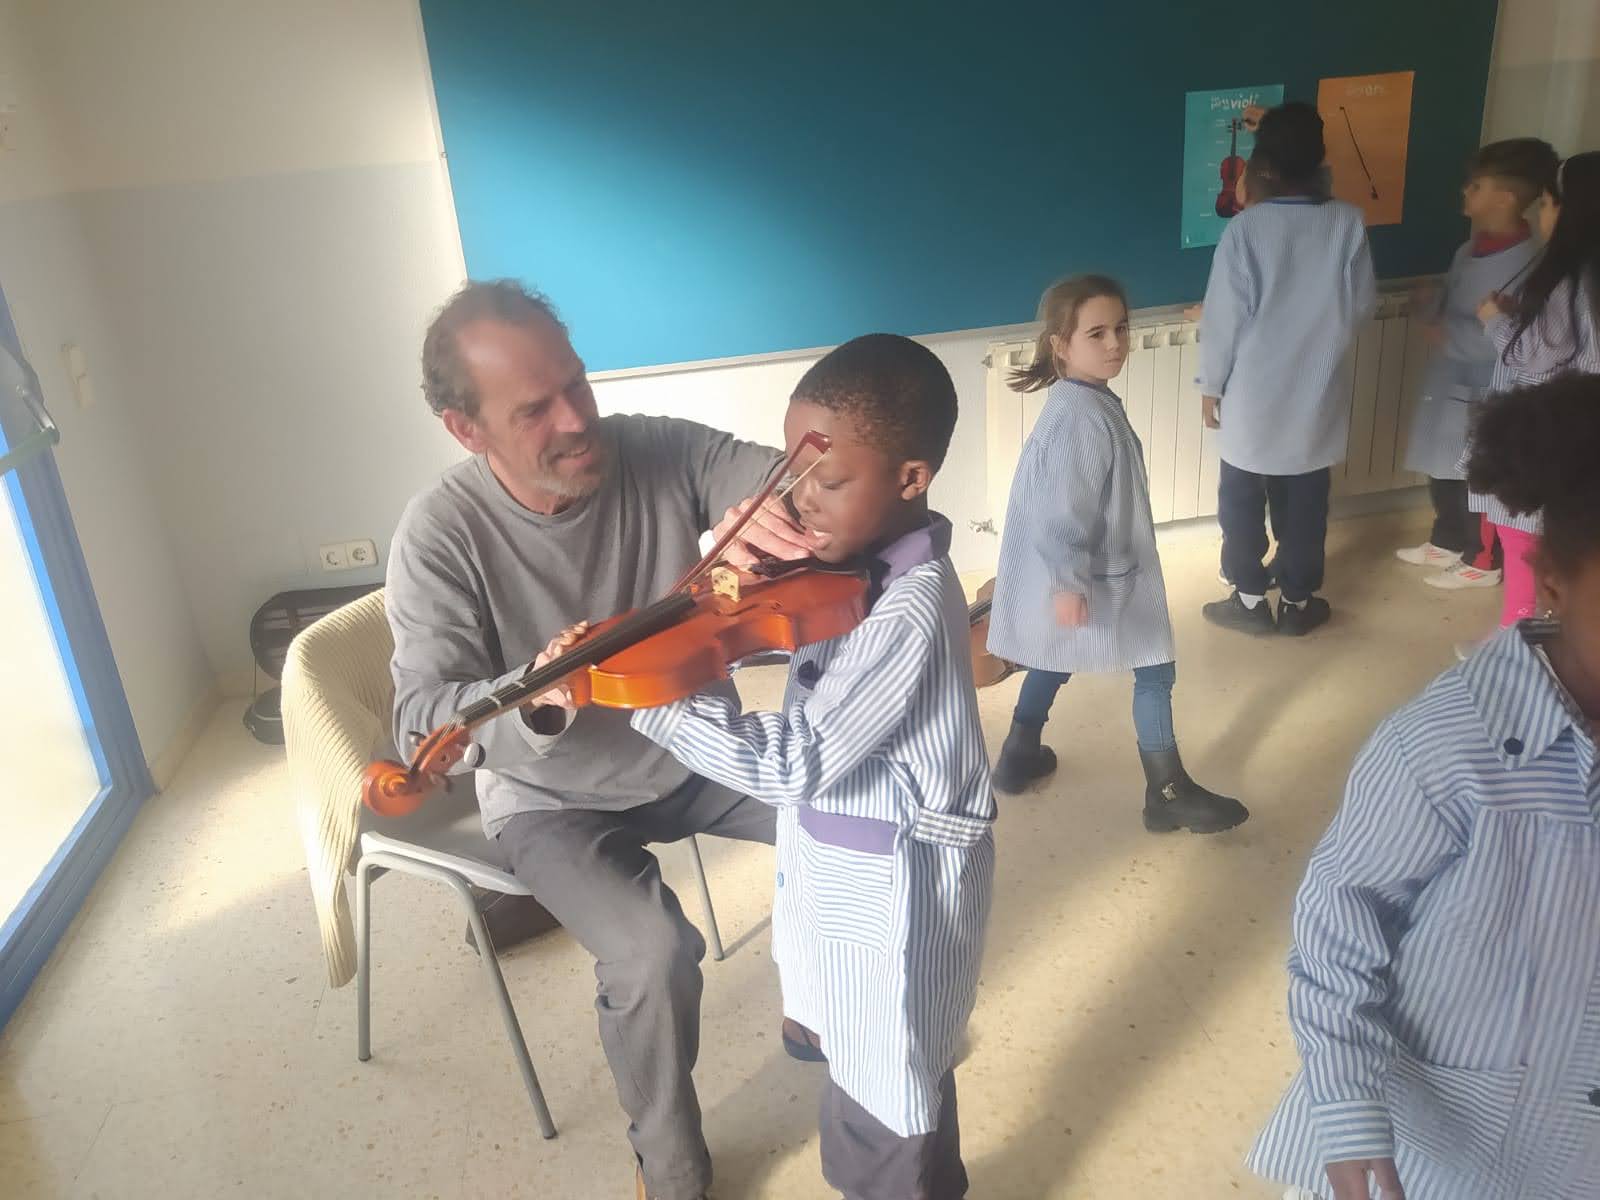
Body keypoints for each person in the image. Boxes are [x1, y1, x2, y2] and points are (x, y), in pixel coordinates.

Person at [385, 280, 808, 1200]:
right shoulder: (439, 533)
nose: (578, 419)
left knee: (851, 814)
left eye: (576, 383)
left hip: (695, 747)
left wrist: (774, 511)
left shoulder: (652, 446)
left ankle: (820, 1003)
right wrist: (534, 696)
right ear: (466, 430)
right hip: (553, 801)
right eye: (534, 408)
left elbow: (785, 475)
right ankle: (670, 1163)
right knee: (654, 952)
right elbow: (423, 714)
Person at [630, 334, 995, 1200]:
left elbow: (794, 764)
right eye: (791, 476)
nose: (799, 501)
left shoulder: (907, 609)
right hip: (844, 875)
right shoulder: (855, 569)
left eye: (827, 483)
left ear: (910, 478)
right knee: (887, 1071)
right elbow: (779, 638)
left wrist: (652, 695)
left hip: (897, 893)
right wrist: (725, 580)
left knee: (885, 1096)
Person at [1247, 373, 1600, 1200]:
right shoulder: (1447, 746)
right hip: (1432, 1157)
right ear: (1552, 579)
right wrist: (1348, 1108)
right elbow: (1338, 923)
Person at [983, 275, 1247, 832]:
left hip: (1093, 566)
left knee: (1055, 654)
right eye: (1097, 333)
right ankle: (1167, 790)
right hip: (1092, 571)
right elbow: (1062, 511)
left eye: (1121, 329)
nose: (1115, 344)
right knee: (1155, 665)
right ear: (1061, 344)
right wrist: (1068, 583)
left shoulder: (1083, 401)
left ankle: (1020, 751)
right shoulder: (1081, 417)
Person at [1196, 102, 1378, 637]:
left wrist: (1210, 385)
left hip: (1251, 394)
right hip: (1316, 391)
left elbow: (1223, 320)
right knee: (1304, 503)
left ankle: (1250, 599)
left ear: (1264, 168)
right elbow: (1362, 306)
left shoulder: (1247, 229)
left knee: (1242, 501)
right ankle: (1298, 603)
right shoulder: (1347, 222)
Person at [1397, 138, 1557, 591]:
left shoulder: (1527, 262)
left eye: (1477, 186)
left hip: (1485, 385)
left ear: (1504, 198)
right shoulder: (1470, 249)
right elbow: (1453, 301)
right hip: (1450, 377)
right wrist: (1430, 304)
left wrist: (1448, 333)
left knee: (1477, 476)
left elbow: (1508, 335)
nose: (1465, 192)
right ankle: (1446, 538)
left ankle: (1482, 559)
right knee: (1442, 465)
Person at [1466, 150, 1600, 636]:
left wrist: (1495, 321)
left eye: (1546, 203)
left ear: (1572, 211)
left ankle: (1520, 650)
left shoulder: (1568, 276)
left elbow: (1536, 356)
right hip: (1582, 443)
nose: (1541, 213)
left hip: (1552, 439)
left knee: (1526, 554)